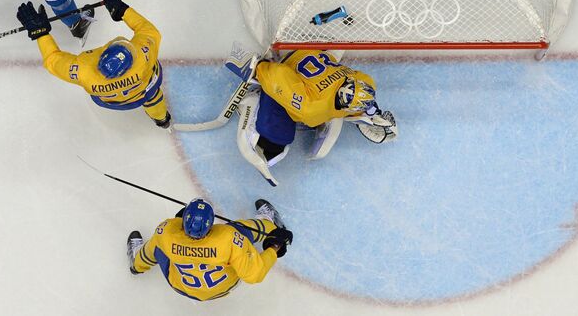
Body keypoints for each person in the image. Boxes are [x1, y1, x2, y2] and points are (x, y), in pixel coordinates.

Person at [235, 50, 397, 186]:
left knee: (309, 112)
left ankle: (355, 115)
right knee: (276, 139)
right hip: (289, 65)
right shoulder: (311, 109)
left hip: (313, 55)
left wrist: (369, 112)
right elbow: (278, 74)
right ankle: (254, 99)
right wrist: (259, 69)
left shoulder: (365, 82)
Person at [15, 0, 171, 128]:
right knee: (154, 98)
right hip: (146, 88)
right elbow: (150, 31)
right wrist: (122, 10)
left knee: (151, 95)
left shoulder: (85, 71)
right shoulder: (144, 55)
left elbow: (53, 62)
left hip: (111, 100)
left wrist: (41, 33)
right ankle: (161, 119)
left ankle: (161, 118)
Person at [126, 198, 293, 301]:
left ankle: (136, 263)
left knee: (156, 245)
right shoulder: (228, 238)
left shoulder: (167, 231)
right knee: (241, 228)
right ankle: (269, 223)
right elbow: (254, 274)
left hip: (180, 286)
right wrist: (274, 247)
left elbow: (169, 230)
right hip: (223, 288)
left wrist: (179, 221)